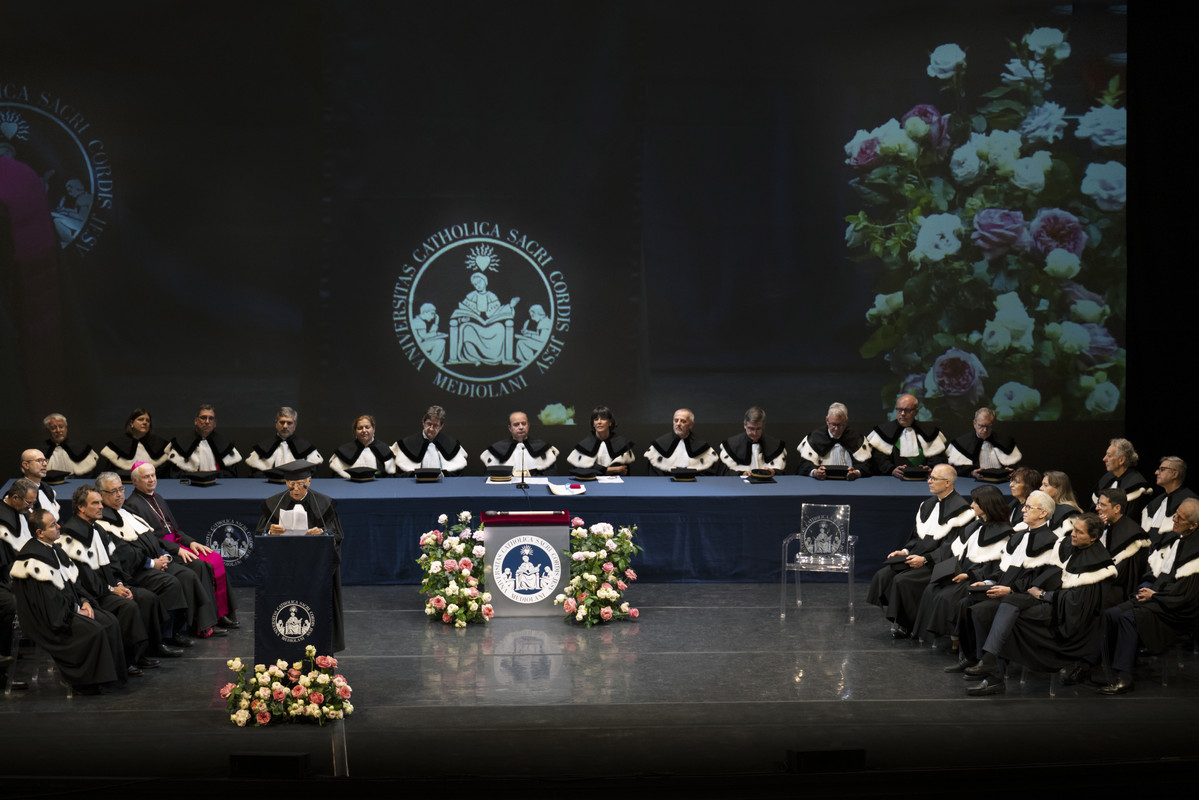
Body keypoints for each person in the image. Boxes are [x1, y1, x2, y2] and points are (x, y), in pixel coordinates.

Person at [964, 513, 1116, 696]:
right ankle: (990, 666)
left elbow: (1076, 603)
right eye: (1074, 529)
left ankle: (992, 674)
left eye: (1079, 532)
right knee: (996, 607)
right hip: (1050, 601)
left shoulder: (1097, 564)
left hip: (1069, 618)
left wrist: (1043, 594)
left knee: (1010, 620)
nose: (1073, 534)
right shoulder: (1069, 546)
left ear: (1093, 538)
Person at [93, 471, 215, 652]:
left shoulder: (127, 512)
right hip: (136, 571)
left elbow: (152, 538)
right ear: (101, 495)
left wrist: (164, 555)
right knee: (171, 583)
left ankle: (182, 629)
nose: (119, 495)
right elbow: (125, 555)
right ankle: (163, 637)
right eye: (113, 491)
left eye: (121, 489)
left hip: (156, 560)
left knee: (189, 574)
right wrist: (152, 563)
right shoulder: (103, 522)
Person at [11, 509, 126, 695]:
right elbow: (48, 601)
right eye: (52, 525)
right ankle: (86, 684)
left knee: (110, 621)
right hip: (48, 619)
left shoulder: (55, 549)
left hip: (66, 609)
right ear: (39, 532)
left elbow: (75, 582)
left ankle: (110, 679)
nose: (59, 527)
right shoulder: (33, 559)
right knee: (93, 630)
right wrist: (75, 609)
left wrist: (85, 601)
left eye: (57, 522)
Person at [1091, 498, 1199, 695]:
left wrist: (1155, 595)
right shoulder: (1180, 541)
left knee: (1129, 618)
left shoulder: (1196, 552)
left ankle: (1124, 677)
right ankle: (1098, 666)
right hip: (1163, 598)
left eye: (1180, 518)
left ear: (1193, 525)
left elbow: (1188, 595)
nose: (1173, 519)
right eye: (1175, 514)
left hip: (1178, 610)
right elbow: (1165, 577)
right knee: (1111, 614)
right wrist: (1149, 591)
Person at [957, 491, 1064, 690]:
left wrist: (1010, 590)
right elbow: (1004, 568)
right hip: (1006, 590)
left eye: (1029, 507)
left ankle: (993, 673)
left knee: (982, 610)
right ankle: (975, 658)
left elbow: (1039, 579)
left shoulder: (1050, 541)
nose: (1023, 509)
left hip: (1024, 597)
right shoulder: (1020, 535)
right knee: (967, 601)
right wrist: (989, 581)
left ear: (1042, 513)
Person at [58, 486, 163, 676]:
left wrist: (120, 584)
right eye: (95, 503)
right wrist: (110, 588)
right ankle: (126, 660)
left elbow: (114, 563)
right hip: (92, 595)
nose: (101, 507)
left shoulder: (97, 529)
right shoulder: (70, 536)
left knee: (147, 598)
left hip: (110, 587)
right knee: (127, 607)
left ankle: (143, 652)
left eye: (100, 502)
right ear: (81, 508)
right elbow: (82, 577)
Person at [124, 461, 238, 631]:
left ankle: (221, 614)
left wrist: (190, 542)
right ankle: (204, 624)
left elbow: (175, 530)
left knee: (215, 558)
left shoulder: (158, 498)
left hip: (177, 544)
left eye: (153, 475)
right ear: (135, 481)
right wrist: (177, 549)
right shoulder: (132, 505)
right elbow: (151, 539)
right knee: (199, 565)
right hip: (163, 550)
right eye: (146, 477)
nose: (151, 479)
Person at [867, 464, 975, 638]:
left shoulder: (962, 511)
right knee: (885, 574)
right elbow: (916, 538)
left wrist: (925, 560)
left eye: (933, 478)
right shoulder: (928, 504)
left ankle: (908, 624)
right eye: (929, 477)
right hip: (917, 556)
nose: (929, 481)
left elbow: (951, 548)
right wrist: (904, 551)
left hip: (939, 563)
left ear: (947, 483)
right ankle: (904, 619)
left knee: (903, 580)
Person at [913, 485, 1014, 658]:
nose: (972, 505)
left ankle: (956, 640)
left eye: (976, 502)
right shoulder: (974, 525)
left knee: (947, 596)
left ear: (987, 505)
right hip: (960, 571)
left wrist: (969, 575)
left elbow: (997, 566)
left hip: (977, 577)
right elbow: (955, 550)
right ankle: (936, 636)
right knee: (932, 588)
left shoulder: (1004, 532)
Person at [256, 461, 345, 652]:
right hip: (284, 569)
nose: (295, 489)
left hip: (316, 569)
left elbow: (337, 535)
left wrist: (321, 532)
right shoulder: (274, 503)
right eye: (291, 484)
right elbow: (261, 534)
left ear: (309, 481)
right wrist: (271, 533)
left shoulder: (324, 504)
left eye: (300, 484)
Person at [866, 394, 948, 479]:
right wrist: (891, 469)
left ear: (916, 411)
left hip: (925, 481)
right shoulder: (883, 431)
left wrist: (931, 468)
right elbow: (878, 459)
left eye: (907, 410)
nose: (902, 414)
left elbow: (937, 456)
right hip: (891, 481)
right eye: (899, 410)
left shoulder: (930, 432)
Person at [1095, 487, 1151, 606]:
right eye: (1098, 504)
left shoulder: (1133, 536)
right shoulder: (1104, 526)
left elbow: (1120, 576)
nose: (1097, 508)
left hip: (1118, 590)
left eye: (1102, 505)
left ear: (1117, 508)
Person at [795, 402, 871, 480]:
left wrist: (856, 473)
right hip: (821, 484)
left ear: (846, 421)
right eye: (833, 424)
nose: (836, 429)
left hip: (850, 484)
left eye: (841, 425)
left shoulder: (856, 438)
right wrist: (815, 472)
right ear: (827, 420)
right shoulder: (815, 438)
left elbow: (866, 466)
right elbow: (803, 465)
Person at [168, 403, 243, 478]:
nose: (207, 422)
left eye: (211, 418)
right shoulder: (181, 443)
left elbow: (231, 475)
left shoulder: (225, 445)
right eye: (203, 418)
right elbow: (175, 475)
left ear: (215, 423)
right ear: (196, 421)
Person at [945, 407, 1022, 480]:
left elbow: (1016, 466)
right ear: (974, 423)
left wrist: (1012, 470)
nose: (985, 430)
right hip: (972, 484)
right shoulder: (960, 443)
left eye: (988, 426)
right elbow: (954, 469)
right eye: (981, 426)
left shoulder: (1005, 441)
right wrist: (971, 473)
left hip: (1002, 482)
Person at [392, 405, 469, 476]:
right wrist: (414, 475)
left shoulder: (452, 445)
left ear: (441, 426)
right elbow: (399, 475)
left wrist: (443, 475)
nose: (431, 429)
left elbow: (458, 474)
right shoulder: (406, 444)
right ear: (423, 422)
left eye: (435, 425)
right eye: (429, 424)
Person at [245, 406, 323, 477]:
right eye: (282, 422)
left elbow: (312, 475)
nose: (285, 426)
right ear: (276, 424)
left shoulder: (306, 449)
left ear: (295, 426)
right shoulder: (262, 448)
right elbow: (255, 476)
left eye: (289, 423)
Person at [99, 408, 172, 479]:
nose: (145, 422)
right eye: (140, 419)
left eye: (148, 420)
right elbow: (109, 475)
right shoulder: (117, 445)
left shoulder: (160, 445)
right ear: (131, 423)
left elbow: (165, 474)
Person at [1091, 437, 1153, 520]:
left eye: (1109, 456)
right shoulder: (1106, 479)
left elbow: (1130, 517)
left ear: (1121, 460)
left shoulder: (1135, 484)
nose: (1104, 459)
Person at [643, 408, 719, 476]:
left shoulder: (702, 446)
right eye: (676, 420)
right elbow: (655, 475)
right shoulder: (660, 445)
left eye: (683, 421)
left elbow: (707, 473)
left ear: (691, 425)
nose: (678, 424)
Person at [481, 411, 559, 476]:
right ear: (510, 428)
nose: (521, 427)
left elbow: (550, 476)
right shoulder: (496, 450)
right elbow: (489, 477)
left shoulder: (543, 448)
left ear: (528, 426)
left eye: (523, 423)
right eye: (516, 424)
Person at [567, 405, 635, 476]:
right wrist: (612, 470)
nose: (599, 422)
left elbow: (623, 470)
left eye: (603, 419)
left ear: (610, 422)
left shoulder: (621, 443)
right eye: (596, 419)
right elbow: (581, 470)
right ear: (593, 424)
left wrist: (600, 470)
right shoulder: (585, 444)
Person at [718, 406, 787, 477]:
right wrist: (741, 473)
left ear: (763, 426)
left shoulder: (775, 446)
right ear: (745, 425)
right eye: (751, 429)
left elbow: (781, 473)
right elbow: (724, 474)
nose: (754, 433)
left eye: (758, 429)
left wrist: (773, 472)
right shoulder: (731, 446)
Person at [1140, 457, 1197, 541]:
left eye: (1162, 469)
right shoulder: (1155, 503)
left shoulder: (1191, 503)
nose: (1156, 472)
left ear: (1174, 474)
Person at [329, 414, 395, 479]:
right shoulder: (344, 450)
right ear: (355, 431)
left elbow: (390, 476)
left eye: (367, 427)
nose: (364, 430)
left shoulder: (384, 449)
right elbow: (337, 476)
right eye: (360, 428)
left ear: (373, 429)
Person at [39, 413, 99, 478]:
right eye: (53, 428)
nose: (58, 430)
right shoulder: (38, 451)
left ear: (66, 428)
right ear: (47, 431)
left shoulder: (82, 448)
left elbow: (89, 475)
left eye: (61, 427)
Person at [19, 448, 61, 520]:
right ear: (26, 465)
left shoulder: (47, 489)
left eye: (45, 460)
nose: (45, 464)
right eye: (39, 461)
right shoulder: (20, 493)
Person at [1040, 471, 1082, 538]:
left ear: (1058, 489)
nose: (1040, 488)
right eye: (1042, 484)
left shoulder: (1068, 513)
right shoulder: (1046, 508)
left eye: (1045, 485)